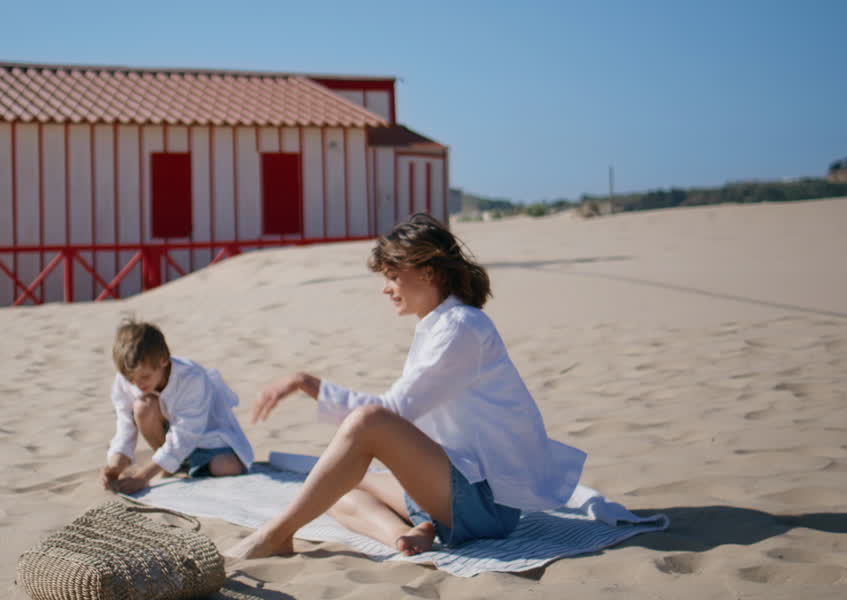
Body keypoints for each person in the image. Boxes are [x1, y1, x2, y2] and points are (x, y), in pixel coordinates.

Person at [226, 213, 586, 559]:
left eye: (392, 276)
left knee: (366, 424)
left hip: (485, 503)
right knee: (329, 488)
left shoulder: (460, 327)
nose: (386, 288)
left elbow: (391, 412)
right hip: (455, 486)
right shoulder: (439, 324)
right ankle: (406, 535)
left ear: (428, 273)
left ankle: (275, 534)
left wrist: (309, 384)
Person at [102, 319, 255, 494]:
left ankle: (174, 463)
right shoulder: (129, 375)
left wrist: (143, 477)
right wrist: (116, 464)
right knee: (142, 407)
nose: (137, 384)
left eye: (145, 377)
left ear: (163, 361)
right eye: (131, 379)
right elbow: (125, 425)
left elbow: (185, 434)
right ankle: (168, 466)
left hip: (203, 436)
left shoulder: (192, 378)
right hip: (166, 436)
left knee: (227, 467)